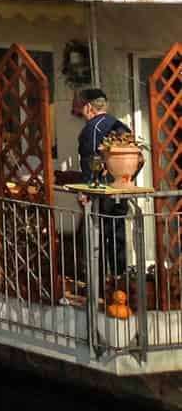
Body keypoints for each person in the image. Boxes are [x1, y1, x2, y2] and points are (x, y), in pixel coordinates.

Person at [75, 87, 128, 286]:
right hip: (120, 189)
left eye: (82, 108)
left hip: (101, 192)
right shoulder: (121, 126)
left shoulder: (92, 129)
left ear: (89, 107)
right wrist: (126, 179)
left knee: (97, 237)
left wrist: (86, 189)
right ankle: (119, 280)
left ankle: (99, 285)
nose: (81, 112)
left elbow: (92, 160)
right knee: (118, 235)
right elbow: (137, 157)